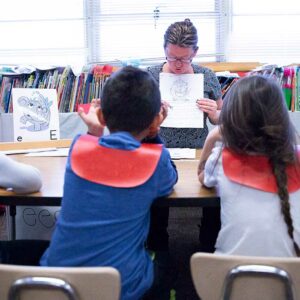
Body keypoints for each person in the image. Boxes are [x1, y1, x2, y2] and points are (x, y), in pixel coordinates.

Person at [40, 66, 178, 300]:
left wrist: (94, 130)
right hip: (121, 287)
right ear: (155, 121)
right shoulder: (157, 160)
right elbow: (169, 180)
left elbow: (99, 147)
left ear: (102, 116)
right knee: (168, 261)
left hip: (58, 284)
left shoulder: (78, 147)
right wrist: (154, 133)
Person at [198, 75, 300, 257]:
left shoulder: (222, 156)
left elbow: (203, 177)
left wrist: (213, 136)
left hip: (232, 279)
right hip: (292, 280)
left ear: (232, 115)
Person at [147, 18, 222, 254]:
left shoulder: (207, 76)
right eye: (172, 58)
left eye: (184, 59)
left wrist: (214, 111)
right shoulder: (150, 75)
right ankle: (158, 244)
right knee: (157, 198)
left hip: (199, 150)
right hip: (159, 148)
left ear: (195, 53)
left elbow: (219, 120)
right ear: (164, 51)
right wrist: (151, 110)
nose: (178, 65)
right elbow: (136, 120)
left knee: (213, 194)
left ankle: (208, 243)